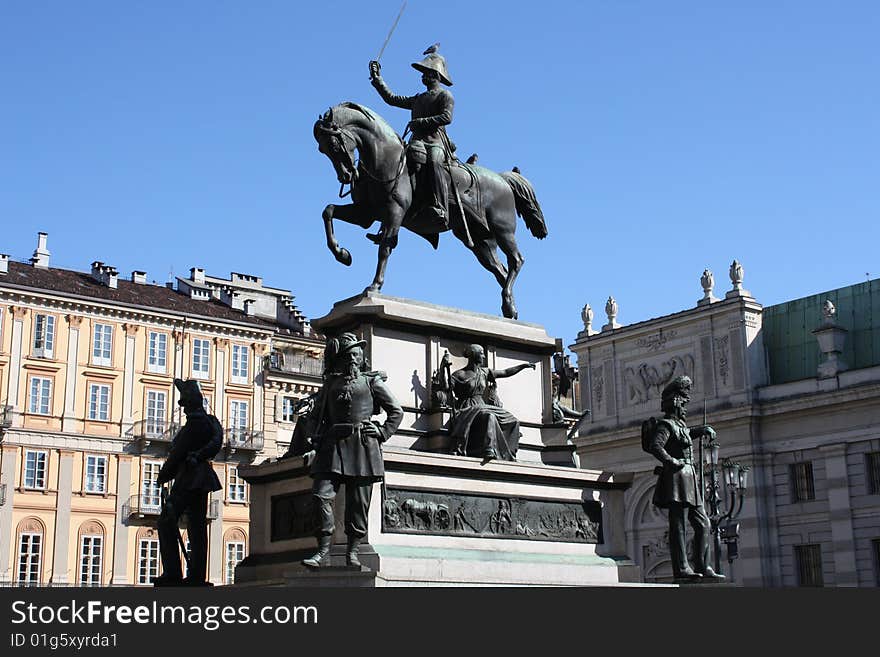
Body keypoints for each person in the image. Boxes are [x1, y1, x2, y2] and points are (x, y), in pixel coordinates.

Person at [302, 333, 403, 568]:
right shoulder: (331, 384)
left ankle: (352, 553)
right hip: (332, 445)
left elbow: (396, 411)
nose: (355, 359)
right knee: (320, 496)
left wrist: (382, 432)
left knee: (358, 505)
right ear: (341, 358)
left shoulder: (372, 382)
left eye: (358, 354)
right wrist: (311, 437)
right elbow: (315, 416)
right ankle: (322, 551)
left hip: (362, 447)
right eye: (350, 355)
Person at [644, 376, 724, 580]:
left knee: (703, 523)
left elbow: (686, 433)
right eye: (684, 404)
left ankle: (703, 566)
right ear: (676, 403)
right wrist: (671, 461)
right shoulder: (666, 425)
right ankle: (682, 569)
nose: (686, 408)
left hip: (690, 478)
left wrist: (702, 430)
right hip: (676, 478)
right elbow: (656, 446)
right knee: (677, 524)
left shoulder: (680, 426)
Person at [369, 45, 455, 230]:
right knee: (396, 166)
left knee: (434, 162)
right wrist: (378, 80)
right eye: (424, 73)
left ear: (437, 75)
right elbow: (391, 99)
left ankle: (441, 208)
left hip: (435, 142)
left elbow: (446, 117)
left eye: (428, 72)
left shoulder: (445, 95)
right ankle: (390, 216)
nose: (424, 76)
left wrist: (421, 122)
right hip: (416, 142)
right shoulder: (418, 99)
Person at [154, 379, 223, 586]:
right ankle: (197, 575)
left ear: (191, 402)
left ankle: (173, 573)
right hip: (202, 479)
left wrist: (163, 475)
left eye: (184, 404)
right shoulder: (210, 421)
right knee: (197, 528)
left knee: (166, 522)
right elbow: (216, 442)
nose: (183, 409)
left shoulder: (195, 424)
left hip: (189, 478)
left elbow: (178, 453)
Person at [440, 345, 535, 462]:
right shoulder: (459, 374)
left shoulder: (484, 372)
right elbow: (446, 387)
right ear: (473, 354)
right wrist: (442, 368)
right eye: (481, 353)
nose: (483, 356)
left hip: (482, 406)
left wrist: (523, 366)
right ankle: (489, 448)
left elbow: (505, 372)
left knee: (513, 420)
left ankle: (509, 452)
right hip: (466, 410)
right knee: (490, 416)